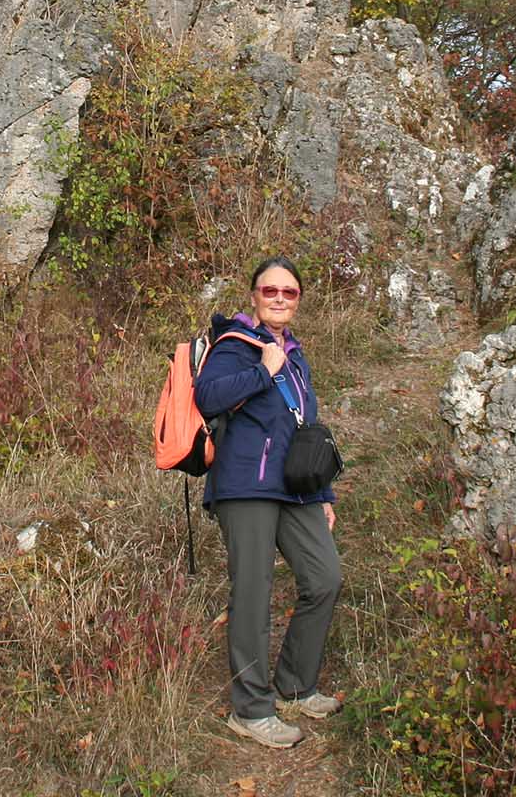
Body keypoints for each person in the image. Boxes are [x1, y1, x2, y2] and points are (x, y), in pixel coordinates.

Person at [193, 255, 343, 749]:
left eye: (289, 293)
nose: (279, 299)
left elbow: (306, 429)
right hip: (245, 486)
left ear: (298, 300)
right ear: (254, 297)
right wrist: (262, 370)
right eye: (270, 291)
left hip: (296, 488)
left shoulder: (296, 356)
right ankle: (252, 710)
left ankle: (295, 687)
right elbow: (207, 397)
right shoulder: (234, 345)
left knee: (324, 578)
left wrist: (322, 494)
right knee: (253, 595)